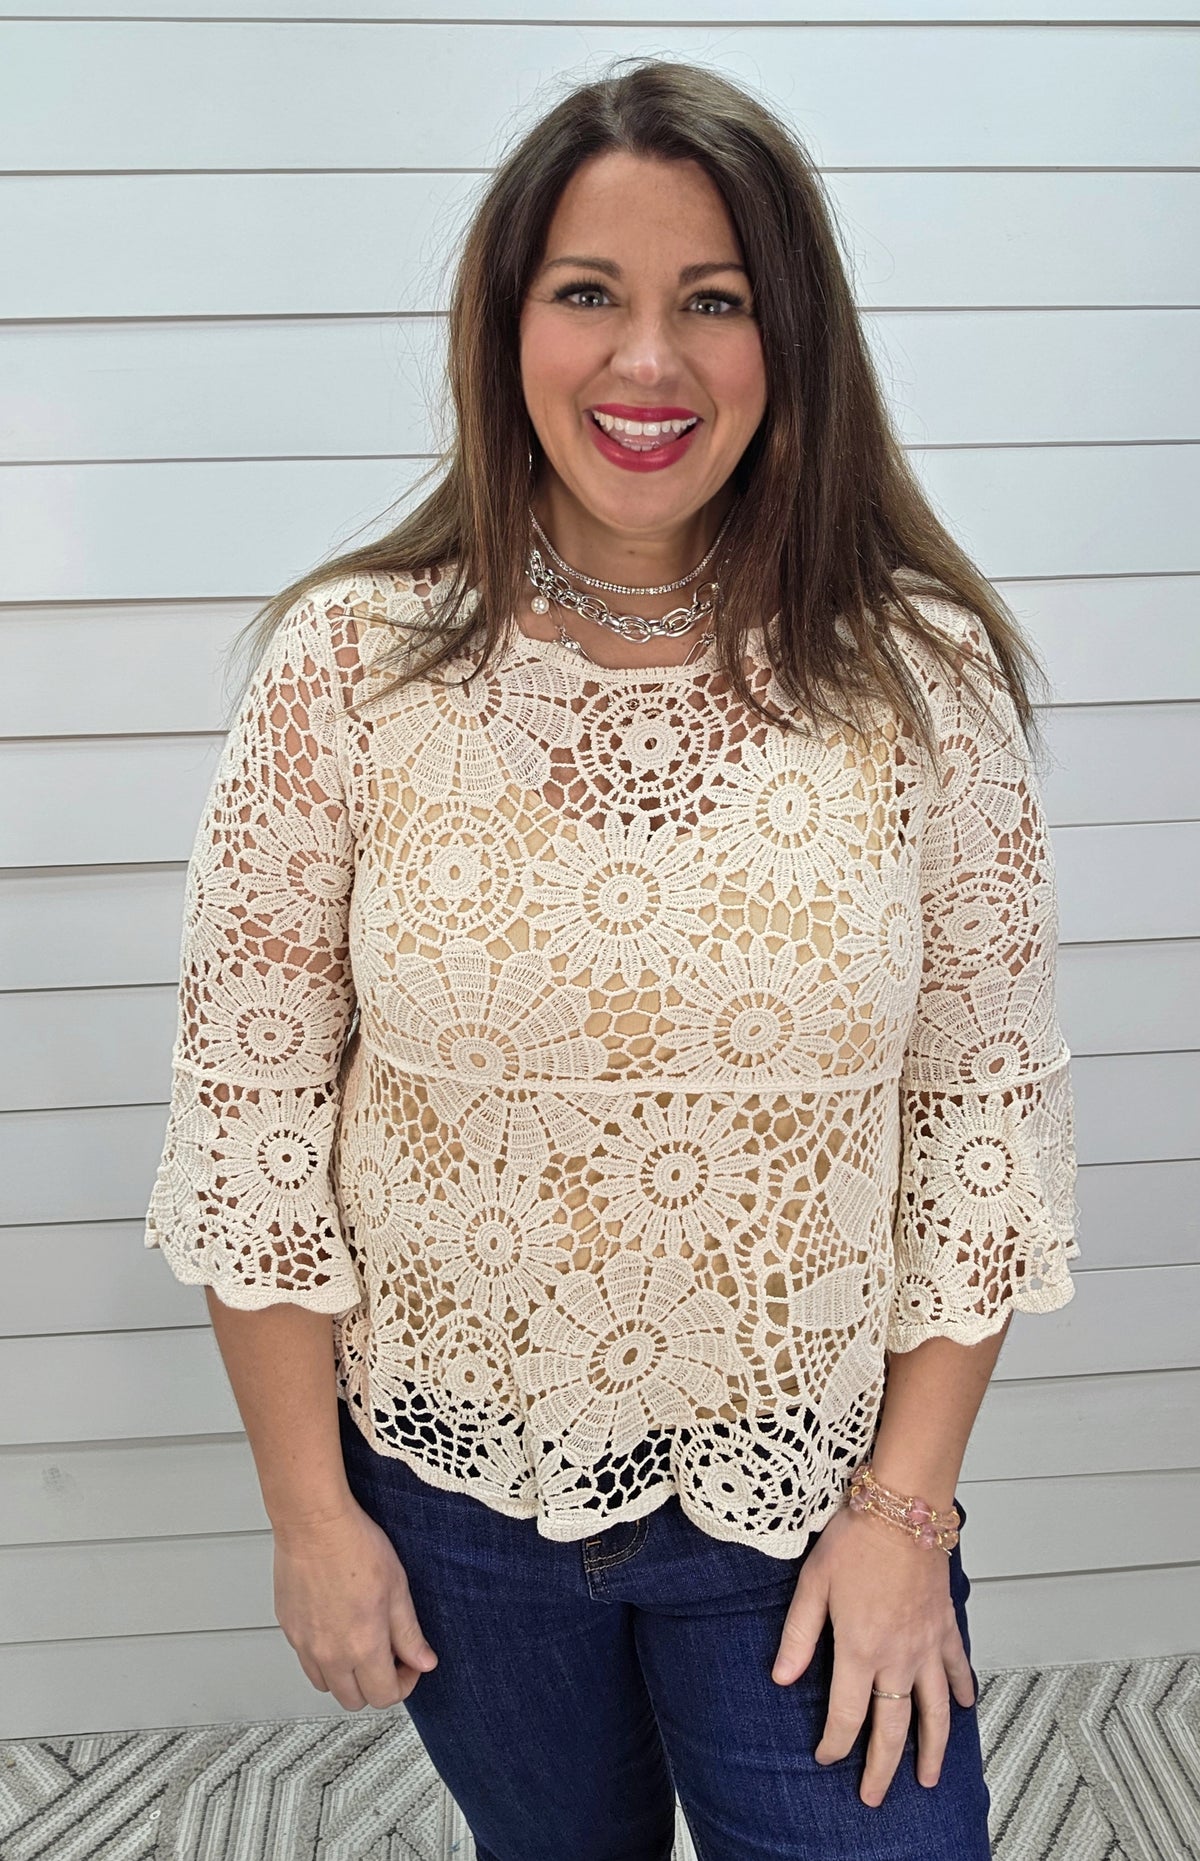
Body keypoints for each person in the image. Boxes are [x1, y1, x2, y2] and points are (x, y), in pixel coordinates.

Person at [144, 56, 1080, 1861]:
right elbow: (253, 1120)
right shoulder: (354, 670)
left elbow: (982, 1125)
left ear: (788, 340)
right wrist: (309, 1515)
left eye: (712, 302)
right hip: (451, 1503)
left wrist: (907, 1517)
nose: (646, 363)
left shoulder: (920, 683)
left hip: (807, 1499)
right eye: (591, 294)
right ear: (509, 328)